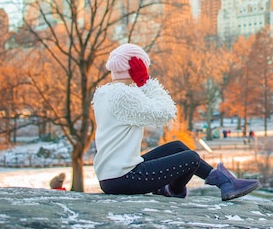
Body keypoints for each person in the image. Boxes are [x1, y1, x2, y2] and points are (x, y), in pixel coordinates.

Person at [92, 43, 260, 200]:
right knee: (191, 158)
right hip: (124, 178)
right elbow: (166, 113)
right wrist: (145, 82)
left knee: (177, 147)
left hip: (110, 176)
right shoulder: (125, 96)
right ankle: (173, 191)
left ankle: (223, 180)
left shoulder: (103, 93)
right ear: (136, 68)